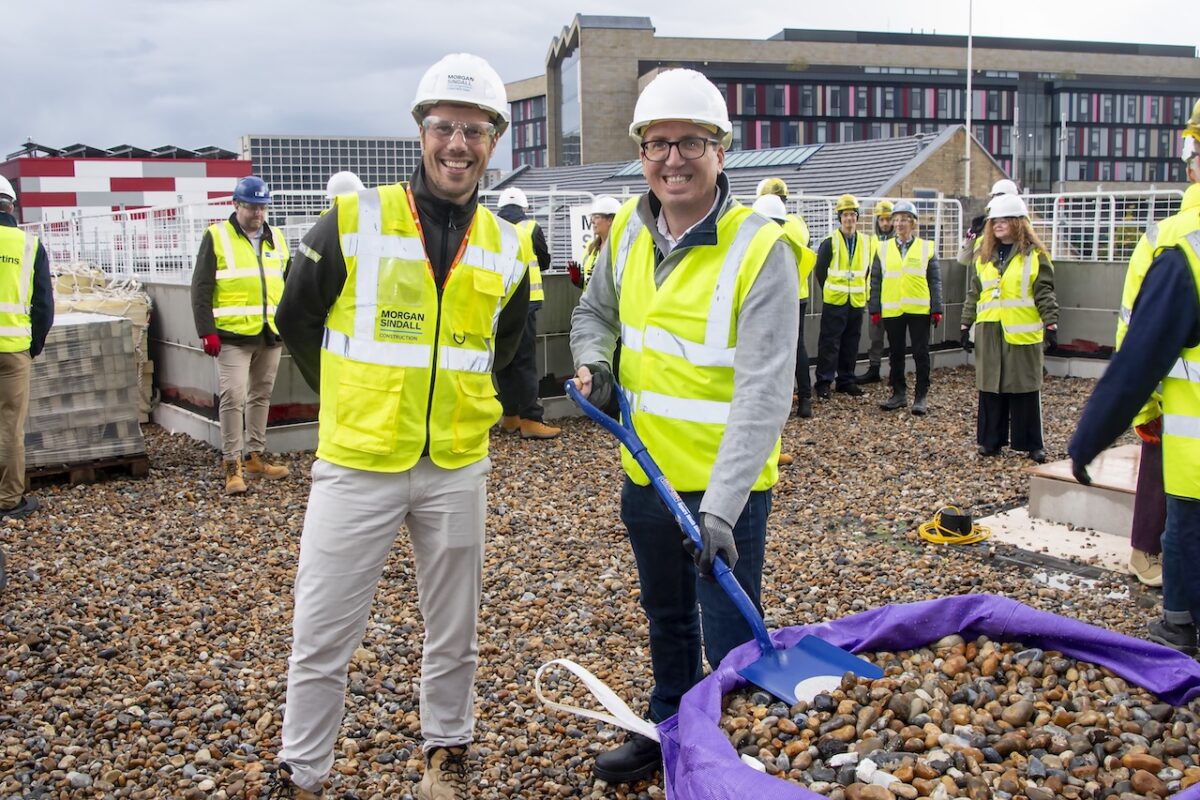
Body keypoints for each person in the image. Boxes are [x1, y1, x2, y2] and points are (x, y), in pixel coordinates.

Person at [270, 53, 531, 799]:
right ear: (421, 133)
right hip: (358, 462)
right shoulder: (354, 219)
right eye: (445, 127)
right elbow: (297, 319)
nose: (458, 144)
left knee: (454, 634)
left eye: (474, 130)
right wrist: (349, 396)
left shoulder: (508, 244)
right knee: (321, 634)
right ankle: (303, 770)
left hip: (455, 462)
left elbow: (504, 344)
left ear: (493, 141)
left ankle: (446, 758)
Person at [570, 68, 798, 784]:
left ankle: (734, 762)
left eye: (690, 143)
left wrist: (722, 509)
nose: (673, 158)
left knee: (731, 637)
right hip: (647, 475)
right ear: (642, 154)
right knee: (666, 618)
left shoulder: (761, 250)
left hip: (721, 497)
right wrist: (593, 363)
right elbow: (594, 314)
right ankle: (670, 728)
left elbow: (764, 393)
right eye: (657, 143)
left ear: (721, 151)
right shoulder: (631, 237)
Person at [190, 175, 292, 495]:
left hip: (269, 332)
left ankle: (255, 457)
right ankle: (232, 465)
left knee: (261, 395)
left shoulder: (277, 237)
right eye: (251, 207)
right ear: (236, 205)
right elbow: (201, 287)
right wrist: (207, 331)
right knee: (233, 397)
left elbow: (288, 282)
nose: (258, 213)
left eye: (263, 207)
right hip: (232, 335)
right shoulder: (217, 237)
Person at [960, 194, 1058, 462]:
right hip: (990, 330)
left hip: (1021, 331)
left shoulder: (1034, 255)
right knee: (991, 387)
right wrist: (965, 322)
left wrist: (1051, 322)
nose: (998, 225)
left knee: (1025, 388)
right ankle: (990, 442)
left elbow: (1044, 291)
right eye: (994, 221)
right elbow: (975, 292)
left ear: (1018, 222)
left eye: (1004, 220)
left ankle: (1031, 444)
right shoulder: (984, 255)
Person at [0, 176, 53, 520]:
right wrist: (31, 345)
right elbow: (44, 305)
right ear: (12, 207)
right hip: (13, 350)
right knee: (9, 426)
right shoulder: (29, 245)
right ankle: (8, 500)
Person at [495, 187, 560, 440]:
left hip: (497, 301)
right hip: (526, 301)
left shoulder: (490, 225)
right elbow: (544, 261)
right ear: (524, 208)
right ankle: (531, 419)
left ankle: (509, 416)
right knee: (524, 361)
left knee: (504, 359)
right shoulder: (531, 227)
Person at [870, 200, 943, 415]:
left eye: (905, 219)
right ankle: (898, 393)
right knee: (896, 353)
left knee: (921, 353)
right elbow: (875, 280)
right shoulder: (882, 249)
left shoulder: (925, 248)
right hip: (893, 310)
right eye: (897, 219)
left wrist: (936, 307)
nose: (900, 223)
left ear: (913, 223)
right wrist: (875, 308)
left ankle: (921, 395)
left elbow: (935, 280)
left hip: (919, 309)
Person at [757, 178, 815, 419]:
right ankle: (805, 400)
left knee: (768, 348)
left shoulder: (762, 223)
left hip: (771, 294)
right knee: (797, 346)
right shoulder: (798, 224)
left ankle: (772, 401)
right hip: (798, 295)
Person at [813, 194, 875, 399]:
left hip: (856, 301)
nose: (849, 219)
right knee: (829, 343)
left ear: (857, 218)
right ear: (840, 218)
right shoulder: (830, 242)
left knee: (851, 343)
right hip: (835, 301)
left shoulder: (867, 242)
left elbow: (869, 270)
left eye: (852, 215)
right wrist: (831, 289)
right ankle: (823, 382)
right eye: (846, 215)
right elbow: (820, 271)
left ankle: (846, 380)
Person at [857, 199, 894, 385]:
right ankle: (874, 369)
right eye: (882, 220)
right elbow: (866, 269)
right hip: (875, 298)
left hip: (896, 298)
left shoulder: (899, 242)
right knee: (875, 338)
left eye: (888, 219)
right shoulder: (870, 242)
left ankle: (896, 372)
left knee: (896, 339)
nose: (886, 223)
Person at [958, 178, 1019, 266]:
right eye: (996, 197)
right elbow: (963, 259)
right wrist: (972, 235)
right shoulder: (984, 233)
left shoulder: (1021, 228)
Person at [578, 195, 622, 286]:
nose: (592, 221)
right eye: (592, 217)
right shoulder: (590, 247)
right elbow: (587, 278)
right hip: (590, 299)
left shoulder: (621, 247)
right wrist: (579, 281)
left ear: (610, 220)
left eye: (597, 217)